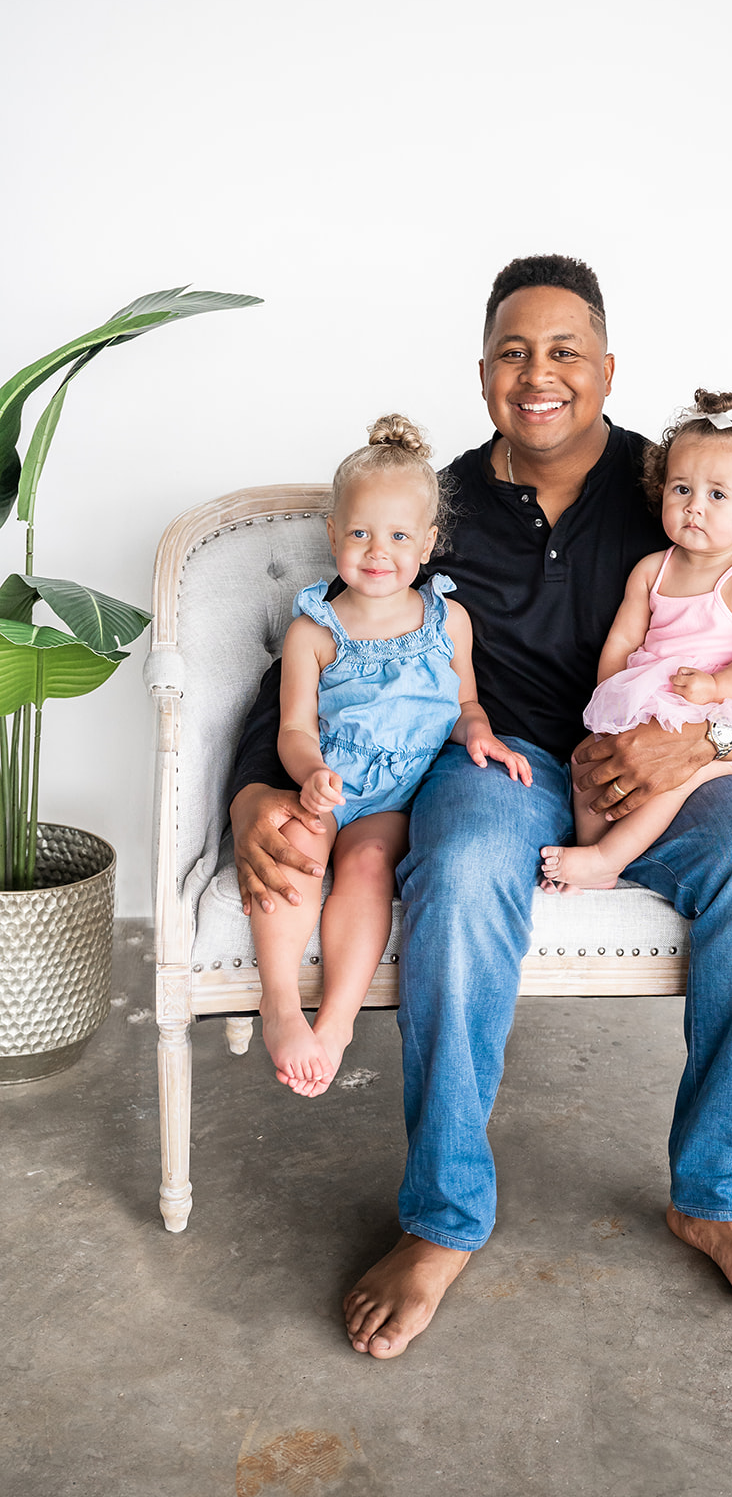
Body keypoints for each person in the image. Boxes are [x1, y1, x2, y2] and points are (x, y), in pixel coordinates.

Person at [229, 254, 732, 1352]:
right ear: (482, 375)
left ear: (607, 369)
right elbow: (321, 658)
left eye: (565, 350)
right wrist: (251, 792)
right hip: (501, 761)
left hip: (666, 765)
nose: (538, 373)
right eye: (512, 352)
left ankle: (717, 1199)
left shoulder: (678, 491)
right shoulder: (438, 507)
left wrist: (697, 741)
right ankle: (443, 1217)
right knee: (462, 868)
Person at [251, 414, 531, 1098]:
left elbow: (465, 704)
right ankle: (279, 1004)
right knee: (298, 842)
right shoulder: (313, 632)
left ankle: (337, 1022)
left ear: (428, 542)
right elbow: (293, 729)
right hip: (330, 781)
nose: (378, 552)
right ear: (332, 535)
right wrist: (310, 775)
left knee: (370, 861)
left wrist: (478, 734)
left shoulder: (448, 621)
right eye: (360, 534)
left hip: (400, 794)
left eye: (400, 536)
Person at [540, 390, 732, 893]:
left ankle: (605, 859)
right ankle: (594, 850)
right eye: (681, 489)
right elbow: (624, 638)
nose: (694, 507)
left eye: (717, 495)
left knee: (672, 780)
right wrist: (612, 696)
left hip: (712, 709)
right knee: (584, 761)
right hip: (650, 699)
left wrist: (715, 686)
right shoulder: (652, 569)